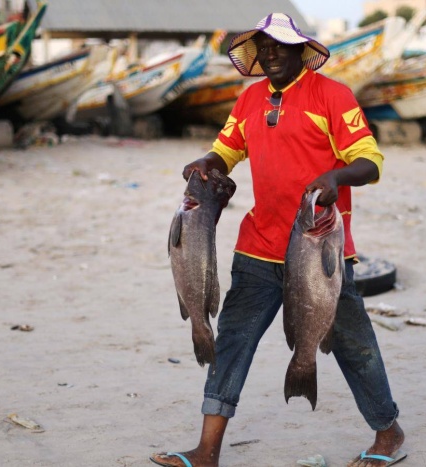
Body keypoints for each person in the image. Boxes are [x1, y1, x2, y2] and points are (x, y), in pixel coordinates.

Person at [151, 13, 405, 467]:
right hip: (258, 245)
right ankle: (207, 451)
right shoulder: (249, 100)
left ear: (300, 51)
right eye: (262, 48)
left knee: (353, 345)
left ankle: (388, 432)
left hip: (319, 249)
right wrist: (207, 162)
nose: (269, 55)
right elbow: (226, 151)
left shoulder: (333, 95)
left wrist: (336, 175)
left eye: (278, 47)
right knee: (231, 340)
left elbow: (370, 160)